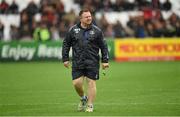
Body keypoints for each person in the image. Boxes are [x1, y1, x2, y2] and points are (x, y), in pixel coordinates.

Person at [62, 8, 109, 112]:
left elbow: (104, 46)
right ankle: (83, 98)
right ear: (81, 18)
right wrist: (65, 59)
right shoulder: (73, 30)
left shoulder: (97, 31)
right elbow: (66, 44)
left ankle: (90, 105)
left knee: (91, 82)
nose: (89, 18)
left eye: (90, 16)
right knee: (76, 83)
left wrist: (105, 60)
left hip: (92, 61)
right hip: (78, 62)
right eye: (86, 17)